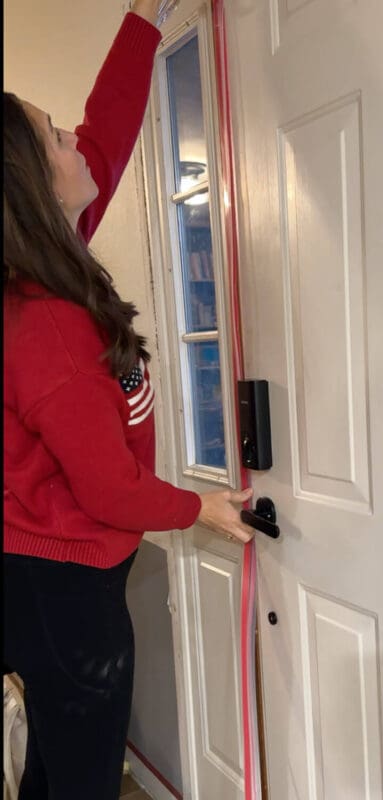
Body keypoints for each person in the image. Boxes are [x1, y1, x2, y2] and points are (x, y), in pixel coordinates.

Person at [3, 1, 255, 797]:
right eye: (55, 139)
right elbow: (107, 487)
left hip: (51, 569)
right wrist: (200, 508)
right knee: (81, 776)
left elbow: (107, 123)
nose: (76, 141)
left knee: (58, 759)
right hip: (61, 587)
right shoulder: (44, 320)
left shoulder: (55, 253)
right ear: (34, 186)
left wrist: (145, 14)